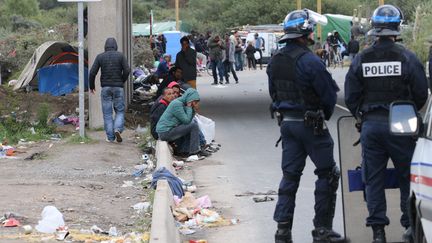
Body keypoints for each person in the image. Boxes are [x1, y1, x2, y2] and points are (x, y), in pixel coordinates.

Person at [344, 5, 428, 243]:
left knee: (374, 179)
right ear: (397, 27)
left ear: (374, 27)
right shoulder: (407, 57)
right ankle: (410, 227)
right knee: (406, 177)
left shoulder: (362, 58)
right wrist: (407, 109)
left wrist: (362, 116)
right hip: (401, 126)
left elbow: (351, 96)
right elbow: (421, 93)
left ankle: (378, 232)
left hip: (371, 126)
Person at [267, 9, 345, 243]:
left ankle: (282, 230)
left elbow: (273, 94)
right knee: (328, 174)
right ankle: (322, 230)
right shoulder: (311, 61)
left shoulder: (275, 61)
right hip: (311, 127)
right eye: (310, 30)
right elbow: (328, 96)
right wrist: (323, 115)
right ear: (304, 33)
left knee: (290, 177)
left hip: (287, 125)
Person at [89, 37, 130, 143]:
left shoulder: (100, 57)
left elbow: (92, 73)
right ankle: (117, 129)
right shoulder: (120, 56)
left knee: (107, 114)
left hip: (105, 88)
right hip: (118, 88)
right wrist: (122, 80)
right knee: (120, 111)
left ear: (105, 47)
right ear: (116, 46)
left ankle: (110, 137)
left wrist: (91, 86)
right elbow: (127, 69)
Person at [156, 88, 208, 157]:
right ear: (189, 99)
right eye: (194, 101)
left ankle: (185, 150)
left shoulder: (182, 104)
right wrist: (189, 107)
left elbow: (188, 120)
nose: (194, 103)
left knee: (192, 124)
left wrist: (193, 109)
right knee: (193, 125)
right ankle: (194, 151)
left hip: (169, 131)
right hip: (165, 133)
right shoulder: (177, 104)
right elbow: (186, 121)